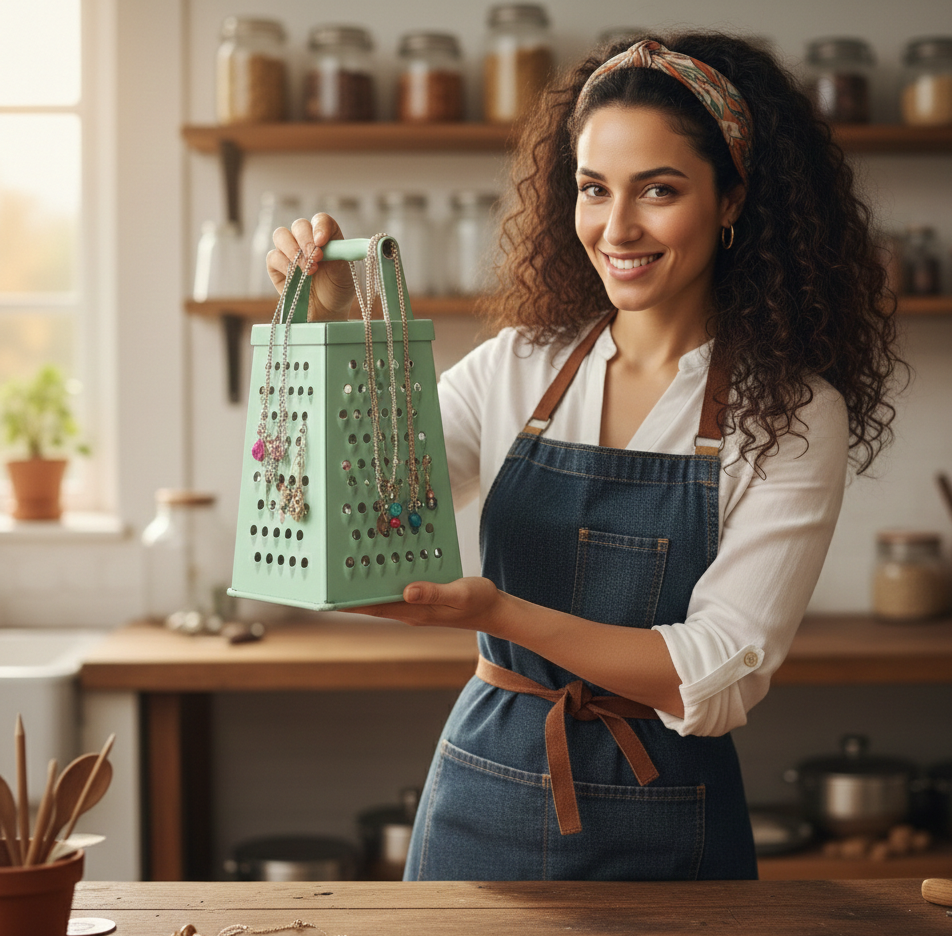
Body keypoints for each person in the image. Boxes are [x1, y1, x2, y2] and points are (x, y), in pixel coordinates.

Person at [267, 31, 903, 881]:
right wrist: (334, 326)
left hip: (668, 817)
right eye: (594, 189)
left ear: (731, 199)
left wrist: (497, 613)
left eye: (660, 190)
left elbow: (706, 676)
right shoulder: (517, 364)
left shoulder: (787, 413)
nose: (618, 227)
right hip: (481, 787)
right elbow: (367, 503)